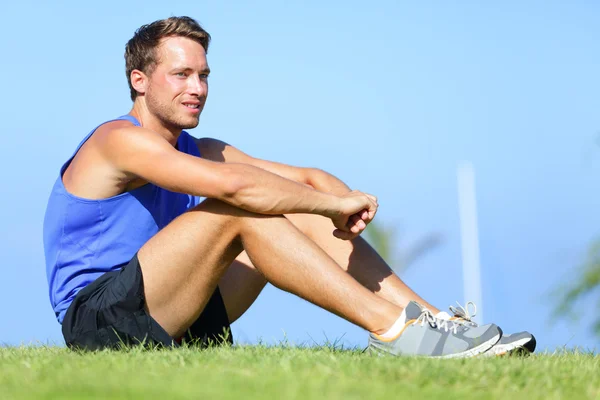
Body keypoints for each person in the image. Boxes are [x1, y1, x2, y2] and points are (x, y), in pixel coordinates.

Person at [43, 16, 534, 357]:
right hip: (100, 322)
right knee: (237, 211)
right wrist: (331, 203)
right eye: (181, 75)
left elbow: (305, 180)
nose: (197, 88)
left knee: (294, 206)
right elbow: (238, 189)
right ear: (140, 80)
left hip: (172, 316)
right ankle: (393, 330)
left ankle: (438, 325)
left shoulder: (200, 147)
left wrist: (339, 205)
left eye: (204, 75)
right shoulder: (118, 141)